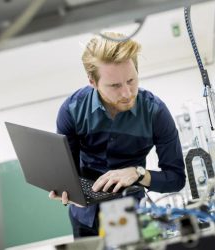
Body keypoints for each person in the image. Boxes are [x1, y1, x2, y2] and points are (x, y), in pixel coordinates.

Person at [49, 32, 186, 238]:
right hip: (84, 217)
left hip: (132, 217)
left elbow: (176, 179)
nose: (127, 93)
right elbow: (67, 171)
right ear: (92, 82)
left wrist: (138, 173)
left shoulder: (155, 113)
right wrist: (64, 187)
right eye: (114, 85)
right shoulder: (72, 110)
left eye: (131, 80)